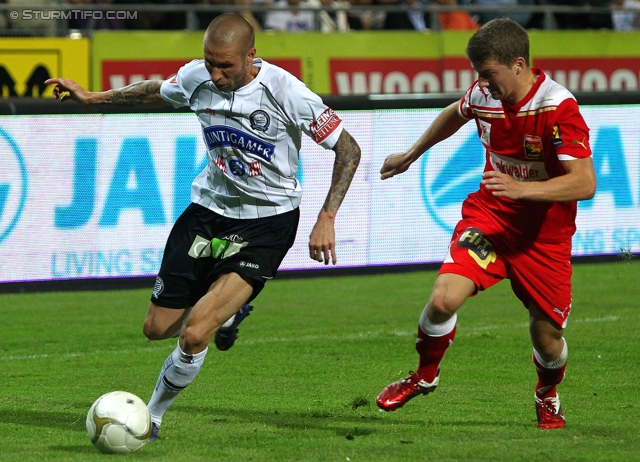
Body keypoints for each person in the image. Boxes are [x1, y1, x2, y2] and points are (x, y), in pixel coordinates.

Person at [45, 13, 361, 439]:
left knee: (195, 333)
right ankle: (228, 316)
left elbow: (349, 148)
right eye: (209, 62)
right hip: (207, 212)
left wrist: (326, 218)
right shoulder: (199, 78)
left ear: (251, 55)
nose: (215, 73)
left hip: (267, 223)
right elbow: (155, 92)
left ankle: (150, 420)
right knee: (155, 329)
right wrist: (92, 98)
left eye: (225, 65)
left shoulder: (287, 92)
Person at [375, 17, 596, 430]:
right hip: (490, 218)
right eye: (478, 75)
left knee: (547, 340)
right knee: (443, 299)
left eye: (489, 74)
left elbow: (584, 182)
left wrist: (522, 189)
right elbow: (455, 113)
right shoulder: (483, 94)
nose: (483, 83)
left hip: (544, 239)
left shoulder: (558, 107)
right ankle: (424, 376)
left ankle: (547, 393)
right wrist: (411, 153)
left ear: (518, 63)